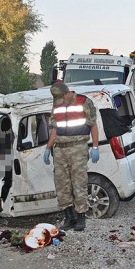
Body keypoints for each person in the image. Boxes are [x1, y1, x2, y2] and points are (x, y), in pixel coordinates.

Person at [44, 82, 99, 231]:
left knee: (79, 183)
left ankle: (81, 217)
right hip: (60, 150)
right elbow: (55, 128)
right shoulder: (57, 106)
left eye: (63, 99)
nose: (62, 102)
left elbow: (93, 125)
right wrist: (48, 148)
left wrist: (95, 147)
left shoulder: (84, 102)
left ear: (68, 93)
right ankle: (69, 217)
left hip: (78, 148)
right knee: (62, 184)